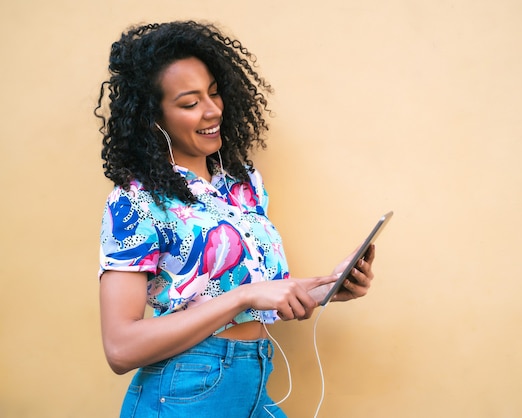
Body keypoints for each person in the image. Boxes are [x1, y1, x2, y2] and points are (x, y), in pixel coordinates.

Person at [95, 20, 375, 417]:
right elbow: (121, 348)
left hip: (252, 380)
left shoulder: (242, 184)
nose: (212, 111)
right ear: (153, 118)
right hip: (186, 392)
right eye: (190, 103)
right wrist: (244, 296)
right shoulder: (136, 202)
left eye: (213, 93)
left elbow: (252, 298)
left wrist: (325, 288)